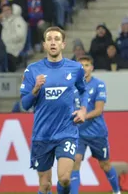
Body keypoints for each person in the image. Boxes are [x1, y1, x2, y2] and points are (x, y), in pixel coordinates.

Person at [20, 26, 88, 194]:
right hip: (42, 134)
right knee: (45, 185)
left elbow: (84, 90)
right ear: (44, 45)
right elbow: (25, 104)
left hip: (66, 132)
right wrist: (35, 89)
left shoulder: (75, 68)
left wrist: (83, 110)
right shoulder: (32, 70)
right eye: (49, 39)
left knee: (64, 179)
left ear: (63, 44)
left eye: (57, 39)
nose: (53, 42)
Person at [71, 56, 121, 194]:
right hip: (79, 133)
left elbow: (99, 110)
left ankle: (116, 191)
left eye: (87, 65)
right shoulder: (72, 86)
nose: (84, 68)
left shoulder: (99, 84)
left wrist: (82, 116)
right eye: (81, 65)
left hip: (97, 132)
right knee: (75, 161)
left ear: (91, 68)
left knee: (105, 165)